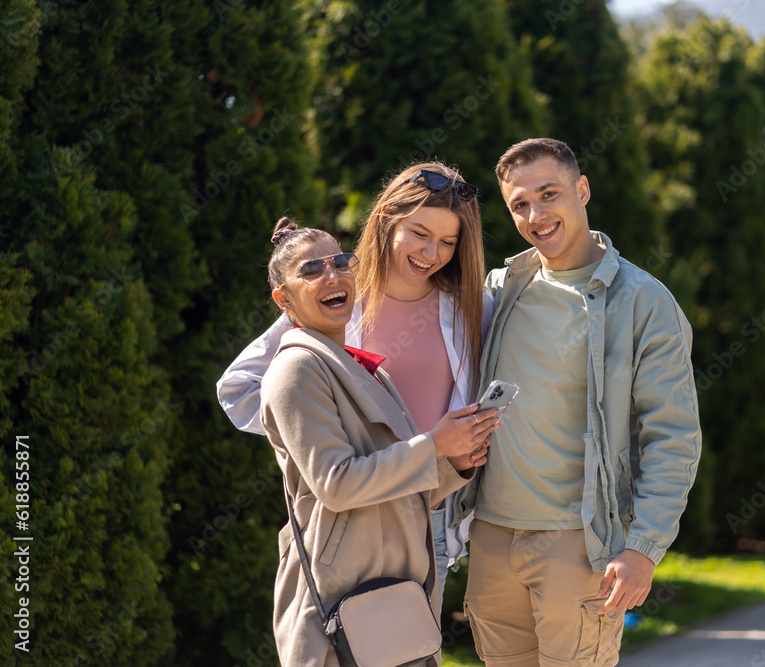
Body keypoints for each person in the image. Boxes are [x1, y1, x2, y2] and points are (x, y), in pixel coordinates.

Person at [452, 138, 702, 665]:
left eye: (549, 194)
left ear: (582, 189)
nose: (536, 215)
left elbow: (672, 435)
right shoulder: (502, 288)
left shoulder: (645, 303)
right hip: (493, 537)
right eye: (519, 204)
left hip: (579, 545)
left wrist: (644, 548)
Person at [217, 162, 493, 615]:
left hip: (432, 512)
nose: (431, 252)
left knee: (415, 653)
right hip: (348, 523)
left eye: (448, 241)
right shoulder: (335, 299)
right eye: (419, 233)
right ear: (387, 221)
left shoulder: (472, 307)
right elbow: (240, 388)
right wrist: (316, 438)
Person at [258, 217, 497, 666]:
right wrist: (433, 445)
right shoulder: (296, 371)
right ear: (283, 298)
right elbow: (338, 485)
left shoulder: (364, 367)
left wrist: (455, 464)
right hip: (343, 605)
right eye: (311, 271)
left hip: (398, 599)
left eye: (341, 262)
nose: (333, 276)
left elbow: (397, 486)